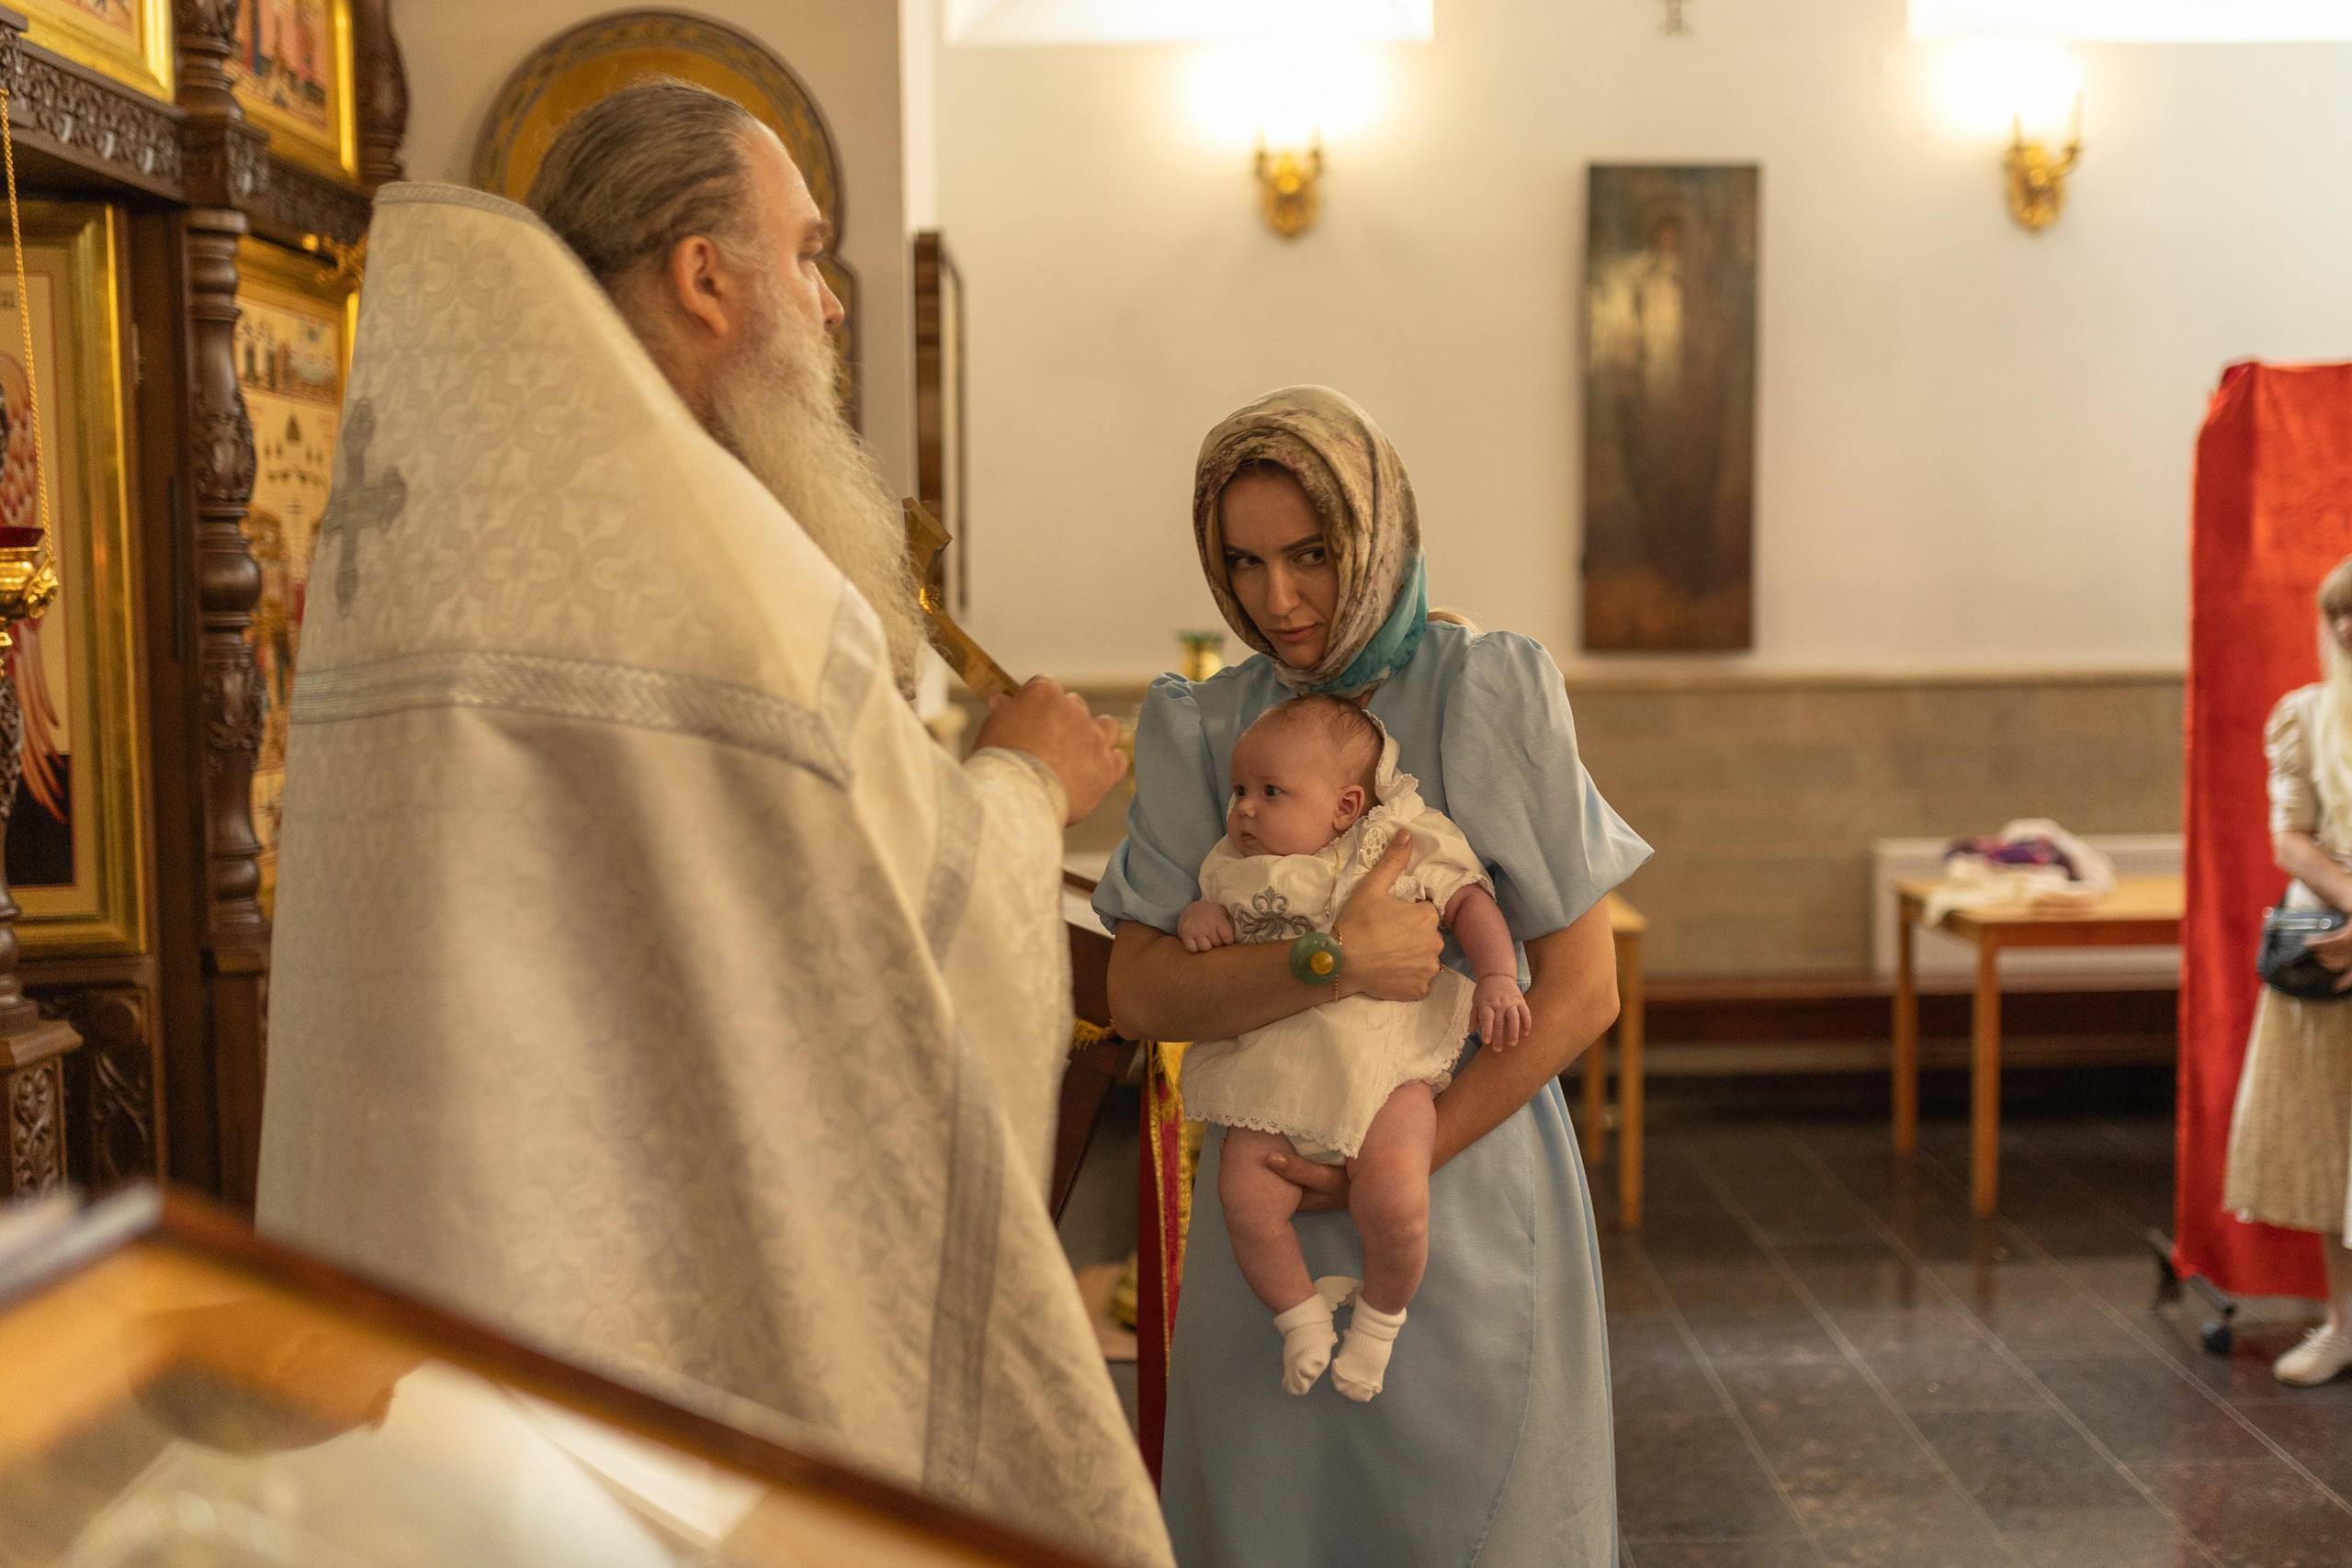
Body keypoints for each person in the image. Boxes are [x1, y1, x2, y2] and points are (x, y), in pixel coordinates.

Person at [254, 82, 1173, 1568]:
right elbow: (906, 915)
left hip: (428, 1248)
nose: (829, 301)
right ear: (702, 273)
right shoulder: (711, 564)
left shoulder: (449, 526)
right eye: (804, 254)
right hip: (626, 1300)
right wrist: (1023, 784)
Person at [1095, 386, 1649, 1565]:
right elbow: (1137, 993)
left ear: (1376, 531)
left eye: (1309, 553)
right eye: (1242, 562)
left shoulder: (1485, 688)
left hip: (1455, 1186)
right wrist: (1327, 961)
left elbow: (1583, 989)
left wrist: (1391, 1162)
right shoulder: (1208, 728)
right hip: (1265, 1207)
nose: (1276, 599)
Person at [1176, 694, 1529, 1403]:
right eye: (1240, 790)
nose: (1245, 809)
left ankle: (1379, 1321)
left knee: (1395, 1192)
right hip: (1275, 1068)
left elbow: (1469, 901)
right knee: (1244, 1197)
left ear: (1345, 806)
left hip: (1386, 1063)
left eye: (1270, 791)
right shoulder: (1234, 863)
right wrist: (1200, 916)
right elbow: (1215, 925)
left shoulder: (1397, 838)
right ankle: (1300, 1316)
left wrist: (1497, 976)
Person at [2223, 555, 2352, 1387]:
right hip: (2334, 944)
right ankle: (2345, 1324)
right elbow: (2290, 836)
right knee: (2332, 1141)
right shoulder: (2304, 716)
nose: (2345, 626)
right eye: (2336, 611)